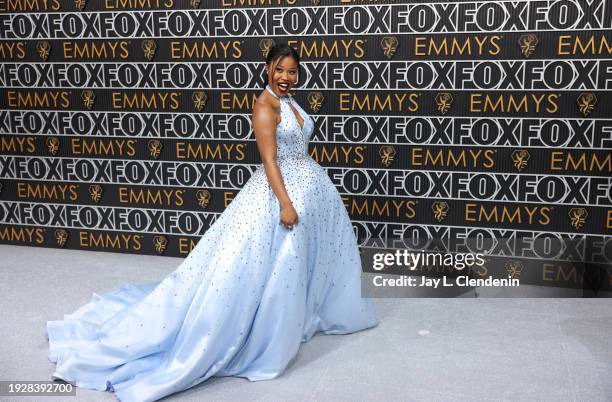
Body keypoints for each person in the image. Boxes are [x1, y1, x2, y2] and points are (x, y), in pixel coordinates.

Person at [46, 43, 380, 402]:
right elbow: (269, 160)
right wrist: (285, 204)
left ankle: (302, 317)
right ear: (268, 67)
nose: (286, 77)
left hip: (311, 186)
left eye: (292, 71)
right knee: (270, 266)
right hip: (281, 194)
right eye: (280, 69)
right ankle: (265, 334)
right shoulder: (264, 106)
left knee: (300, 268)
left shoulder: (289, 102)